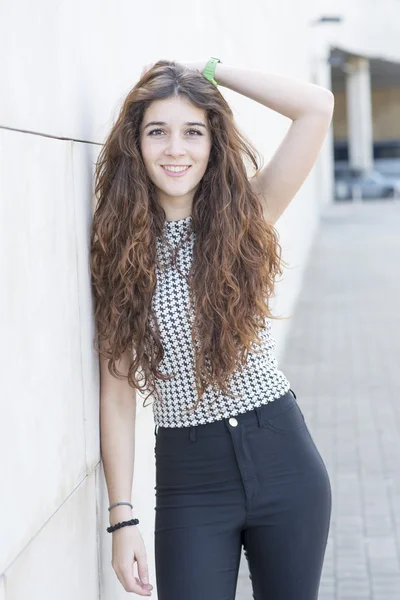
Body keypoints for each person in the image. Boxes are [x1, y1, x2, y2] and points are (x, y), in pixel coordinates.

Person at [90, 58, 334, 599]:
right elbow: (118, 390)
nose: (176, 149)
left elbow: (316, 107)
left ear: (212, 142)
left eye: (193, 132)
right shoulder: (115, 249)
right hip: (190, 477)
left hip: (283, 455)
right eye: (158, 131)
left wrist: (216, 70)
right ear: (136, 144)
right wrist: (122, 518)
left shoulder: (246, 216)